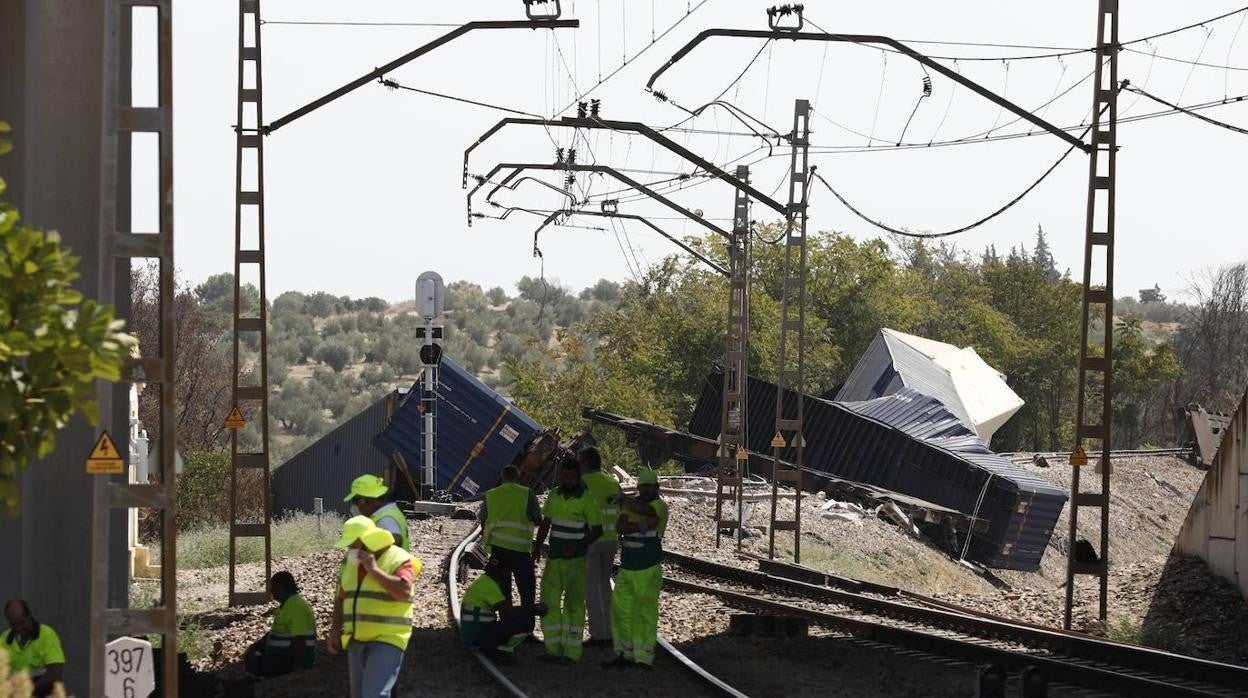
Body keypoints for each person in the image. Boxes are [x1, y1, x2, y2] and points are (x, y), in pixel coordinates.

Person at [328, 516, 421, 698]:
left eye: (353, 544)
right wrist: (333, 629)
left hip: (388, 638)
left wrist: (374, 570)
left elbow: (404, 591)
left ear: (366, 542)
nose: (350, 549)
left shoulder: (398, 558)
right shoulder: (351, 563)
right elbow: (341, 597)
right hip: (357, 638)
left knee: (374, 694)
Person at [532, 458, 603, 664]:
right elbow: (546, 523)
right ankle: (553, 649)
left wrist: (578, 547)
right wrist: (537, 547)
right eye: (564, 477)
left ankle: (572, 653)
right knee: (548, 603)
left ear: (578, 477)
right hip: (554, 559)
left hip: (576, 562)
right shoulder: (555, 495)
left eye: (571, 477)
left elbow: (597, 530)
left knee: (574, 605)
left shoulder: (587, 499)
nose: (568, 481)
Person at [603, 469, 668, 671]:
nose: (647, 490)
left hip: (648, 568)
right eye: (644, 487)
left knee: (644, 613)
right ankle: (626, 653)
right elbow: (620, 527)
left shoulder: (660, 505)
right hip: (628, 567)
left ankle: (643, 657)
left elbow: (651, 515)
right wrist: (640, 525)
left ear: (657, 488)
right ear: (639, 488)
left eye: (650, 487)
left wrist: (626, 503)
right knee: (621, 611)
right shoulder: (634, 505)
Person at [458, 557, 549, 664]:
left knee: (512, 620)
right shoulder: (489, 586)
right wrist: (533, 609)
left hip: (473, 634)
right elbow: (509, 612)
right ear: (504, 571)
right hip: (477, 636)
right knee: (522, 623)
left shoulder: (483, 581)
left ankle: (492, 647)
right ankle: (498, 651)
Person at [478, 465, 541, 616]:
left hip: (498, 550)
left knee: (502, 589)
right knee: (527, 589)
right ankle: (527, 625)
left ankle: (506, 622)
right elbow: (537, 519)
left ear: (502, 477)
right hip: (520, 550)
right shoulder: (527, 493)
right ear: (518, 477)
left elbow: (483, 520)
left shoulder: (491, 494)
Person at [579, 446, 621, 647]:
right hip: (611, 539)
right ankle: (612, 631)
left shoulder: (583, 483)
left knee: (591, 589)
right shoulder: (612, 481)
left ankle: (598, 634)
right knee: (605, 585)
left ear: (586, 463)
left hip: (591, 540)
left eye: (580, 461)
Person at [243, 572, 316, 677]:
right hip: (280, 656)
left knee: (256, 664)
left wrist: (298, 669)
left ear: (281, 587)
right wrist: (255, 646)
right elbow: (277, 632)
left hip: (287, 659)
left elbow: (299, 639)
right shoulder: (287, 605)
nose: (271, 590)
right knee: (252, 658)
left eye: (273, 587)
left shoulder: (296, 606)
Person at [2, 600, 64, 697]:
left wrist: (28, 688)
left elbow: (55, 672)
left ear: (29, 617)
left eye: (21, 623)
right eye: (13, 625)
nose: (18, 629)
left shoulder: (46, 634)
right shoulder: (4, 639)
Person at [344, 474, 409, 551]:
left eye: (356, 500)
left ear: (370, 499)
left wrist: (364, 546)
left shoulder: (385, 519)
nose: (355, 506)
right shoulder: (388, 512)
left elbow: (396, 539)